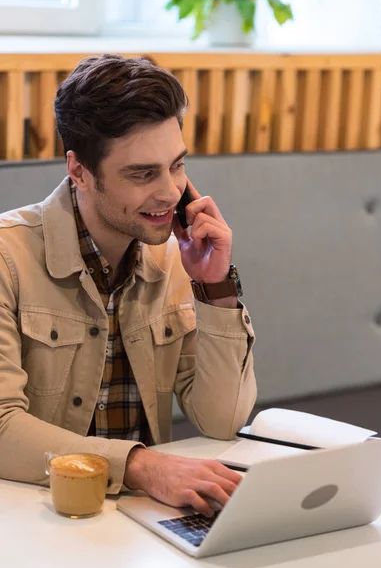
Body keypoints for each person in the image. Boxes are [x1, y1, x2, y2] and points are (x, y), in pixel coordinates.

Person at [0, 54, 256, 517]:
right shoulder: (7, 258)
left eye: (177, 166)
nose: (170, 192)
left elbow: (222, 421)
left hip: (140, 518)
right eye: (143, 174)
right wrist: (143, 466)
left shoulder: (176, 255)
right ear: (78, 171)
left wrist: (215, 289)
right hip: (35, 517)